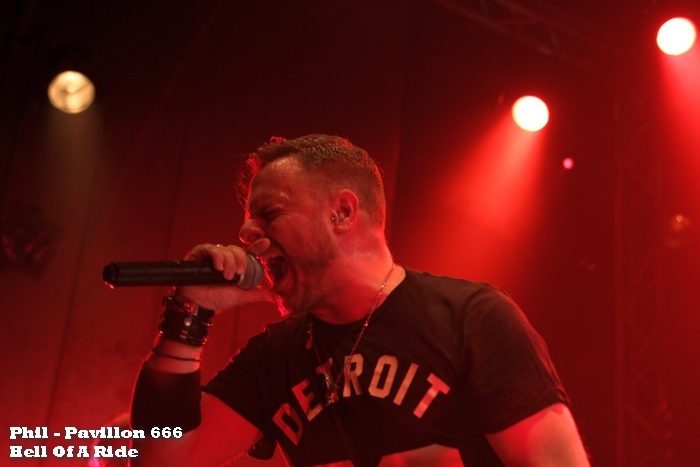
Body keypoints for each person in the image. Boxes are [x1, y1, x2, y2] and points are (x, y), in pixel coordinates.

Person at [130, 134, 590, 466]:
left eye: (269, 214)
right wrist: (189, 313)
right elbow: (162, 460)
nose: (247, 233)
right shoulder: (273, 358)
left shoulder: (470, 319)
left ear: (342, 212)